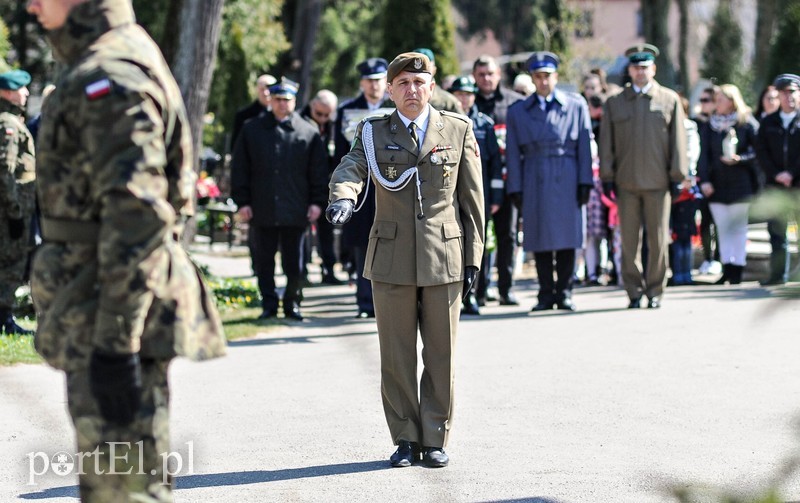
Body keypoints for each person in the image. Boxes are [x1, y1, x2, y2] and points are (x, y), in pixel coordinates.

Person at [25, 1, 227, 501]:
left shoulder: (109, 73)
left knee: (125, 491)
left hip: (110, 311)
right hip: (99, 302)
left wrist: (116, 342)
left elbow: (137, 212)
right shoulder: (105, 57)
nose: (31, 5)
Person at [326, 52, 484, 468]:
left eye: (420, 82)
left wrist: (474, 258)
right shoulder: (373, 131)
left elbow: (472, 203)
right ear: (391, 90)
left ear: (432, 87)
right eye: (404, 84)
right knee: (396, 354)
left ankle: (434, 437)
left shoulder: (458, 129)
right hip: (391, 256)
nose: (412, 90)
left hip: (443, 256)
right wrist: (343, 197)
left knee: (440, 353)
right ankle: (404, 438)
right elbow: (352, 166)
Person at [599, 44, 688, 309]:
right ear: (629, 70)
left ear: (654, 69)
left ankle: (656, 290)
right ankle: (634, 290)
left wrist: (677, 174)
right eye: (636, 68)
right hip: (626, 183)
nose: (640, 72)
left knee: (659, 240)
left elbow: (678, 143)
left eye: (645, 67)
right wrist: (607, 176)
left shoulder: (669, 99)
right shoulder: (615, 103)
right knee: (628, 241)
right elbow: (606, 143)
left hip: (659, 184)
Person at [232, 79, 328, 320]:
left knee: (294, 263)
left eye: (286, 100)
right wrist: (242, 201)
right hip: (262, 207)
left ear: (294, 101)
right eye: (277, 100)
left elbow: (318, 171)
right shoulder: (251, 129)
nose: (282, 105)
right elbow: (240, 168)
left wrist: (317, 202)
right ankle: (269, 304)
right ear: (270, 100)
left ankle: (292, 303)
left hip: (296, 209)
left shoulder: (308, 131)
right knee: (264, 262)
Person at [506, 52, 593, 312]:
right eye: (538, 77)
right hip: (534, 175)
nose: (543, 82)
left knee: (568, 236)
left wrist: (585, 181)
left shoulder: (575, 105)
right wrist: (516, 187)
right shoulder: (518, 111)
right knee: (539, 236)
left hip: (567, 173)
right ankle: (545, 294)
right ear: (532, 79)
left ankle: (565, 292)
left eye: (547, 76)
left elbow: (585, 147)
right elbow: (512, 152)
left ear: (556, 77)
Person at [333, 57, 393, 319]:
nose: (374, 86)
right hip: (360, 187)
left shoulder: (395, 107)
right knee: (362, 246)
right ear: (361, 83)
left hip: (390, 184)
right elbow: (340, 151)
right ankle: (365, 303)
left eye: (378, 81)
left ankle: (389, 303)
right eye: (369, 81)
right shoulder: (348, 110)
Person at [472, 55, 525, 306]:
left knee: (508, 236)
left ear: (499, 75)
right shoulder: (469, 104)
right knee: (478, 237)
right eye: (481, 74)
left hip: (509, 181)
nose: (486, 79)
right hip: (477, 183)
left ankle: (506, 289)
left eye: (490, 73)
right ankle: (479, 291)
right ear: (474, 77)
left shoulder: (515, 103)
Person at [448, 75, 503, 315]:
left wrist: (496, 197)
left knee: (478, 244)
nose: (464, 98)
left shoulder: (484, 124)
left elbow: (494, 164)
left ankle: (476, 293)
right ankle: (455, 295)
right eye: (460, 94)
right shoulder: (444, 123)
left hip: (479, 196)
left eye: (468, 94)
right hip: (450, 196)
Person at [697, 84, 760, 285]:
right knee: (722, 229)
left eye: (721, 99)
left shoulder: (746, 124)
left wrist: (739, 159)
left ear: (733, 101)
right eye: (716, 100)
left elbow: (758, 152)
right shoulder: (710, 125)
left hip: (740, 185)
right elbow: (703, 156)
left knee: (739, 229)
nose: (717, 104)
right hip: (717, 185)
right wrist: (705, 180)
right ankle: (726, 266)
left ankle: (738, 269)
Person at [755, 73, 800, 285]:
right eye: (783, 92)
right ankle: (778, 275)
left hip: (798, 184)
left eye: (792, 92)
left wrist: (792, 173)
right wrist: (776, 174)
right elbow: (761, 152)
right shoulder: (768, 122)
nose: (788, 97)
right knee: (777, 233)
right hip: (776, 185)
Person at [0, 69, 35, 335]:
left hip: (14, 208)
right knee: (10, 263)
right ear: (8, 92)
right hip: (10, 211)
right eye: (21, 89)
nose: (25, 93)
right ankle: (3, 320)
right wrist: (14, 212)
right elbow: (5, 170)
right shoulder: (8, 124)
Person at [300, 89, 343, 285]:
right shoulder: (299, 121)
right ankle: (301, 272)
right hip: (303, 185)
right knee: (302, 230)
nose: (324, 119)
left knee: (327, 230)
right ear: (312, 105)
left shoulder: (335, 124)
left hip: (327, 185)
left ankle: (329, 270)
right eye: (320, 114)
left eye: (328, 115)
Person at [693, 86, 722, 275]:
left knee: (719, 222)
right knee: (704, 221)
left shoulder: (719, 124)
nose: (704, 104)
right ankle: (707, 258)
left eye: (708, 100)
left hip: (720, 179)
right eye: (702, 100)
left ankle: (719, 258)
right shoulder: (695, 122)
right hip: (702, 179)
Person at [231, 73, 277, 150]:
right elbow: (236, 147)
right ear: (257, 89)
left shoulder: (282, 116)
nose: (266, 93)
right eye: (262, 89)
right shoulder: (243, 116)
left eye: (269, 88)